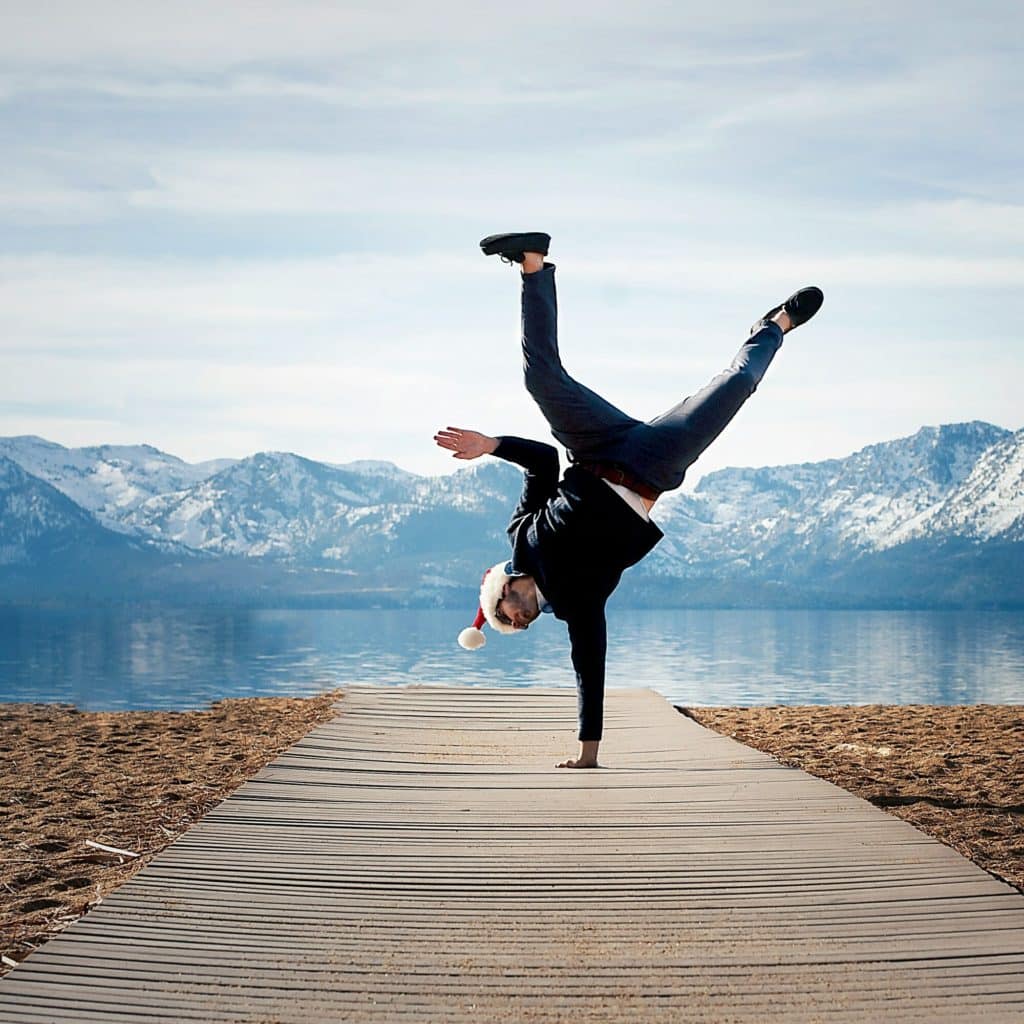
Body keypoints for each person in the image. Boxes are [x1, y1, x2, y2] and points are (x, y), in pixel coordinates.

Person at [434, 232, 823, 769]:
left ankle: (531, 263)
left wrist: (491, 446)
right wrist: (587, 755)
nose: (517, 622)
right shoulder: (577, 605)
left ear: (502, 591)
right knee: (733, 388)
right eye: (516, 626)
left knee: (541, 378)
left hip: (593, 445)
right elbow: (588, 666)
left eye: (506, 616)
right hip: (653, 464)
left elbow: (544, 461)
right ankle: (776, 326)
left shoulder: (521, 536)